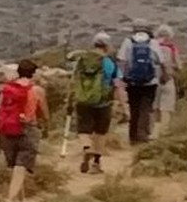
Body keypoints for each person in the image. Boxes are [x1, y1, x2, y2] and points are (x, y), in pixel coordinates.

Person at [0, 57, 48, 202]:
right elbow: (44, 113)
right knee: (21, 166)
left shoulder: (7, 89)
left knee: (15, 165)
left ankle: (22, 201)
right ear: (33, 74)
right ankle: (10, 199)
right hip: (27, 129)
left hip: (7, 129)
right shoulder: (36, 90)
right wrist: (44, 124)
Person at [68, 32, 119, 174]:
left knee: (83, 130)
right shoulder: (109, 62)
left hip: (83, 100)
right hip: (103, 102)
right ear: (107, 46)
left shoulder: (82, 60)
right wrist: (122, 103)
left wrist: (72, 98)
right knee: (100, 132)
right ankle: (96, 164)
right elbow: (117, 82)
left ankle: (86, 147)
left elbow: (73, 80)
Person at [120, 26, 162, 146]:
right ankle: (142, 135)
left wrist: (123, 77)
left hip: (132, 81)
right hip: (150, 81)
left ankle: (132, 136)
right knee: (145, 108)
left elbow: (122, 60)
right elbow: (160, 60)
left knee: (134, 108)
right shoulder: (153, 43)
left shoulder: (128, 42)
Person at [153, 25, 184, 131]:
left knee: (154, 106)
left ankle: (152, 130)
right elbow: (179, 66)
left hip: (153, 79)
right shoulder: (172, 48)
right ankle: (163, 130)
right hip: (167, 79)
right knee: (166, 107)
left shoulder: (152, 46)